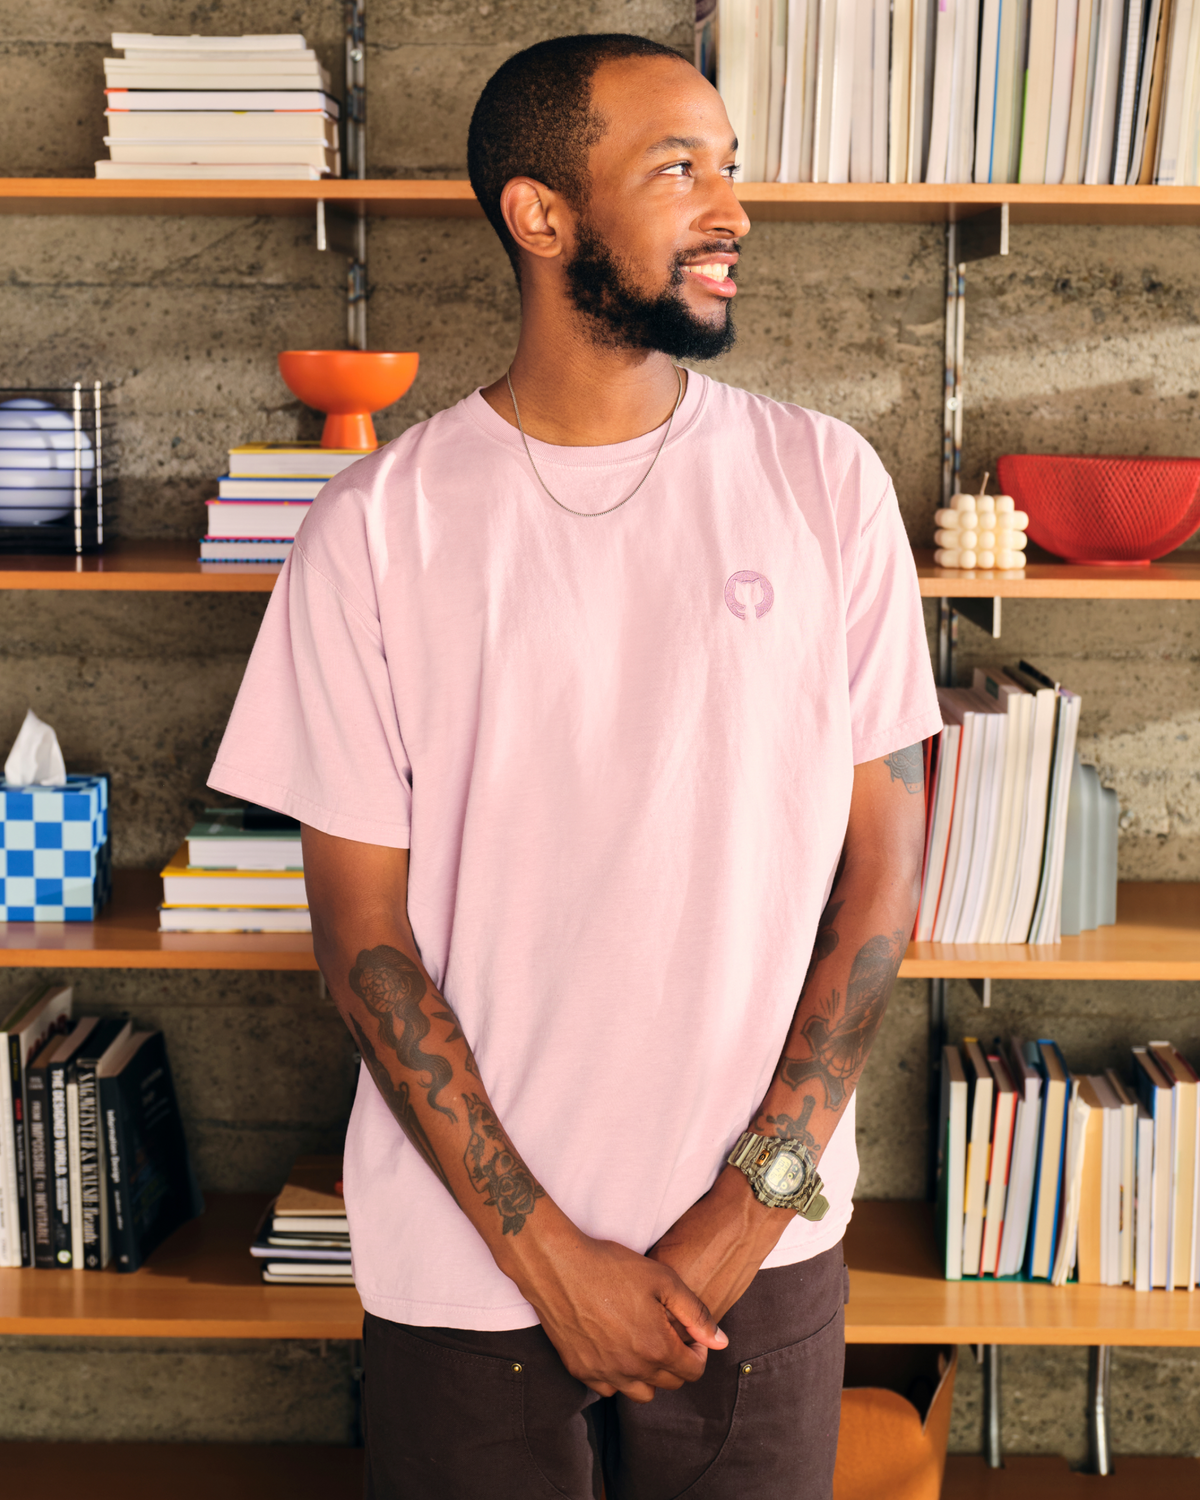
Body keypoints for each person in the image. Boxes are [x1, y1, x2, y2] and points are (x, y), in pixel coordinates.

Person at [209, 31, 941, 1500]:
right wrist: (549, 1258)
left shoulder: (825, 485)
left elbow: (879, 885)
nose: (732, 208)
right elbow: (364, 942)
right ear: (540, 216)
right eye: (681, 169)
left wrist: (741, 1221)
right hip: (470, 1289)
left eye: (731, 167)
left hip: (759, 1272)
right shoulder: (375, 527)